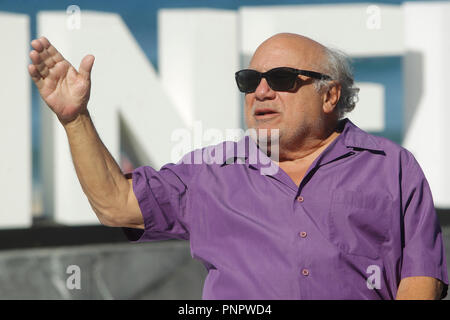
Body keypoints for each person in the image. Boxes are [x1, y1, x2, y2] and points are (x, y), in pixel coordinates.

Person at [28, 33, 448, 300]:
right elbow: (116, 204)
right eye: (250, 80)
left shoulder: (391, 166)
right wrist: (74, 118)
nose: (261, 91)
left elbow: (421, 277)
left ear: (330, 95)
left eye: (282, 78)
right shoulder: (211, 172)